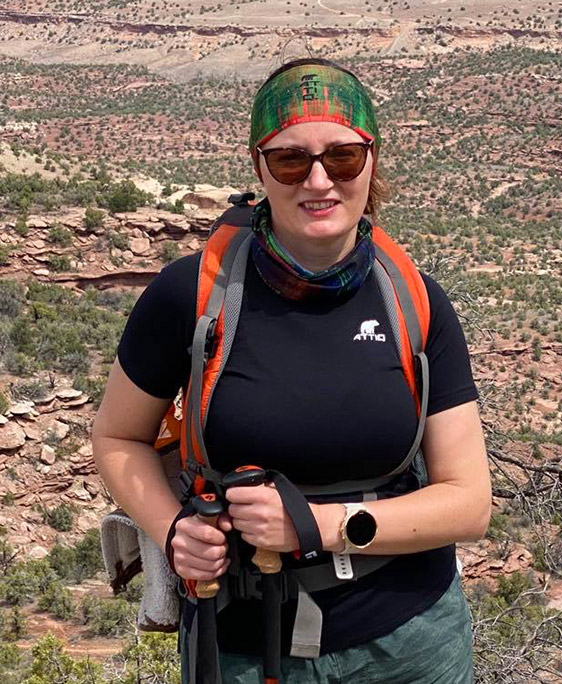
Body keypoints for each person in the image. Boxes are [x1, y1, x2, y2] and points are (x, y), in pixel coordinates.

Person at [91, 57, 491, 683]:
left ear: (371, 161)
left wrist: (315, 526)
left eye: (342, 157)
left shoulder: (413, 299)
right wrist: (172, 531)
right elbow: (117, 437)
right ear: (259, 167)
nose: (318, 179)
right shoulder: (190, 296)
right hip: (246, 646)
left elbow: (468, 502)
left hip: (410, 643)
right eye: (289, 159)